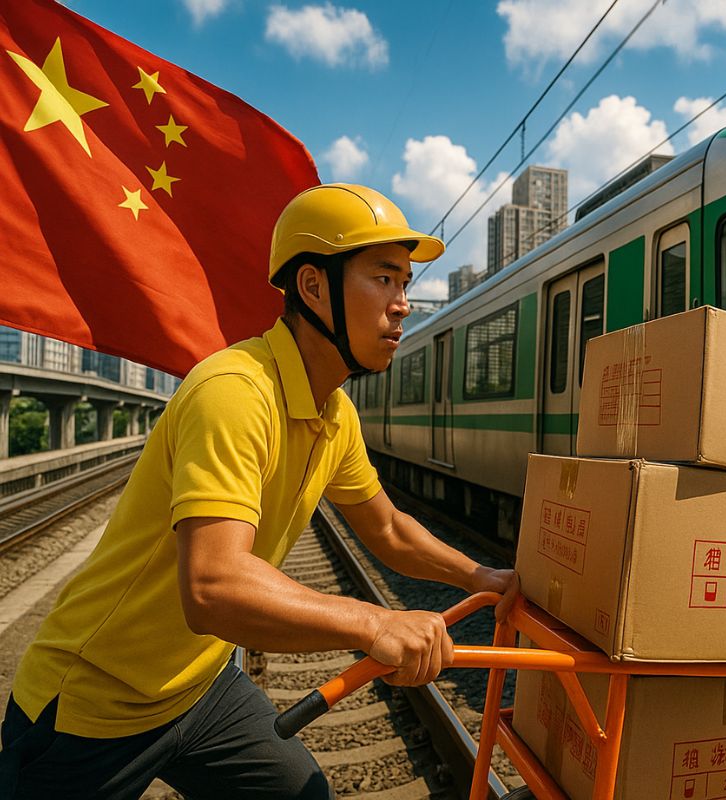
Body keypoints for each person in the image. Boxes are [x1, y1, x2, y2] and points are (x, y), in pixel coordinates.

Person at [0, 184, 519, 799]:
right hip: (92, 705)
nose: (403, 304)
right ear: (313, 287)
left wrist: (480, 578)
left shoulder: (334, 412)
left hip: (197, 688)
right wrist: (373, 621)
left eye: (405, 283)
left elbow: (386, 528)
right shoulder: (235, 392)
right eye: (384, 279)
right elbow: (214, 588)